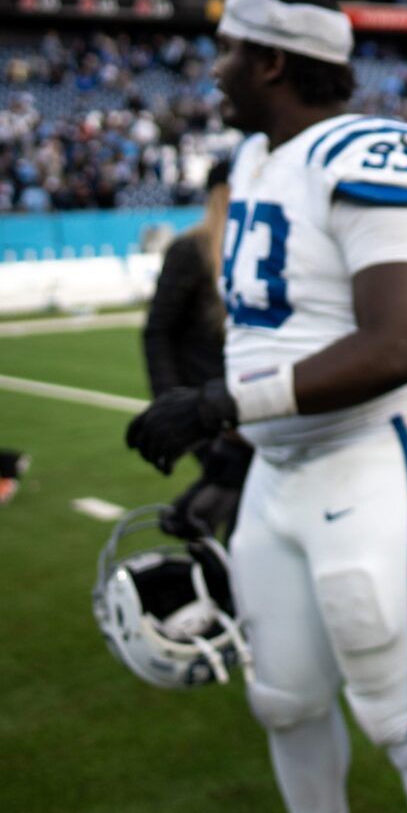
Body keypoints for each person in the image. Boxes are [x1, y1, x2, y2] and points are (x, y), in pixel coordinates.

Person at [124, 0, 407, 813]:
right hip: (280, 471)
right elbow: (277, 326)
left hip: (377, 456)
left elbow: (393, 342)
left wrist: (217, 404)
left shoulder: (369, 150)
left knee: (402, 706)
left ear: (276, 63)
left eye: (230, 53)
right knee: (282, 692)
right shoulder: (254, 158)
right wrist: (235, 446)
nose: (214, 69)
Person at [141, 156, 251, 538]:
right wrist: (170, 401)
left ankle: (192, 530)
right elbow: (158, 330)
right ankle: (187, 525)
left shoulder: (254, 252)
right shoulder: (191, 250)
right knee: (238, 487)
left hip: (244, 398)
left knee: (249, 500)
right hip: (205, 403)